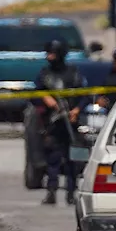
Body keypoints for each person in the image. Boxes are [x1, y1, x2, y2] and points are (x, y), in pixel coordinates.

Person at [35, 39, 86, 205]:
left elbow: (84, 94)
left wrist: (76, 110)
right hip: (52, 123)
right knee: (53, 159)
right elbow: (36, 92)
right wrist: (47, 100)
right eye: (48, 54)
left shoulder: (73, 73)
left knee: (72, 160)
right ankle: (51, 192)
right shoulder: (45, 74)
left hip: (70, 122)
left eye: (52, 54)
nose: (49, 57)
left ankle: (71, 193)